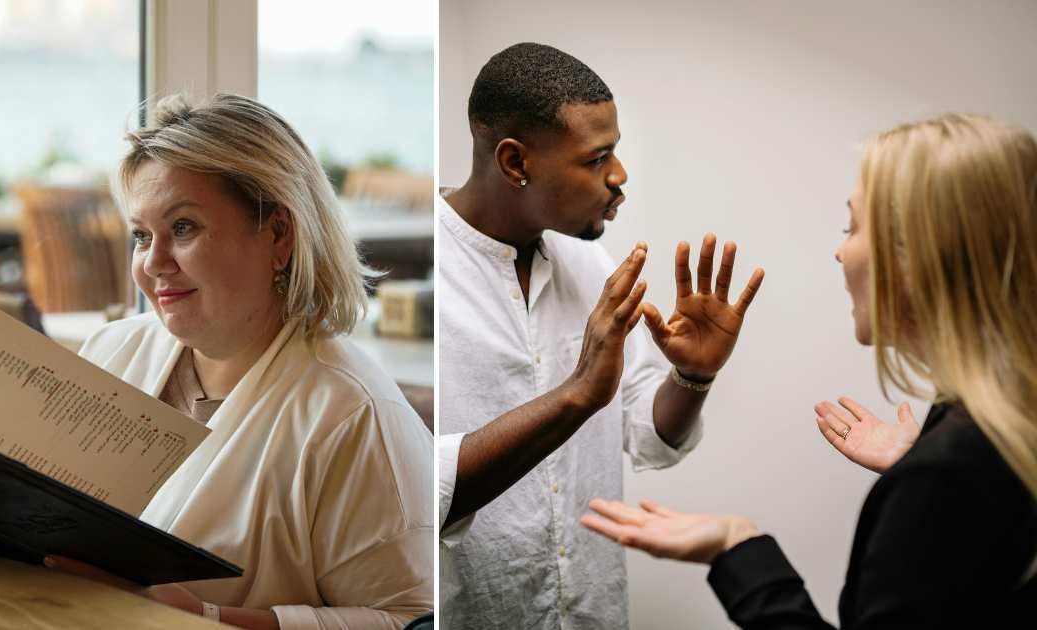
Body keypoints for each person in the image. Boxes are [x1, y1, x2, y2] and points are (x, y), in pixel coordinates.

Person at [581, 113, 1037, 628]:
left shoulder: (952, 470)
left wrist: (738, 547)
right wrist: (924, 470)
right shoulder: (1001, 428)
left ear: (921, 258)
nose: (841, 251)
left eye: (854, 227)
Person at [60, 93, 433, 630]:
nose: (153, 263)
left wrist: (211, 619)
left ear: (278, 234)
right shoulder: (111, 352)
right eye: (142, 236)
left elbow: (412, 619)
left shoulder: (352, 414)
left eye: (183, 228)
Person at [438, 43, 764, 628]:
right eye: (597, 159)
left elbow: (648, 434)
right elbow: (425, 494)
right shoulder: (428, 282)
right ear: (516, 163)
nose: (619, 177)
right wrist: (576, 395)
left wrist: (693, 376)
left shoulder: (591, 268)